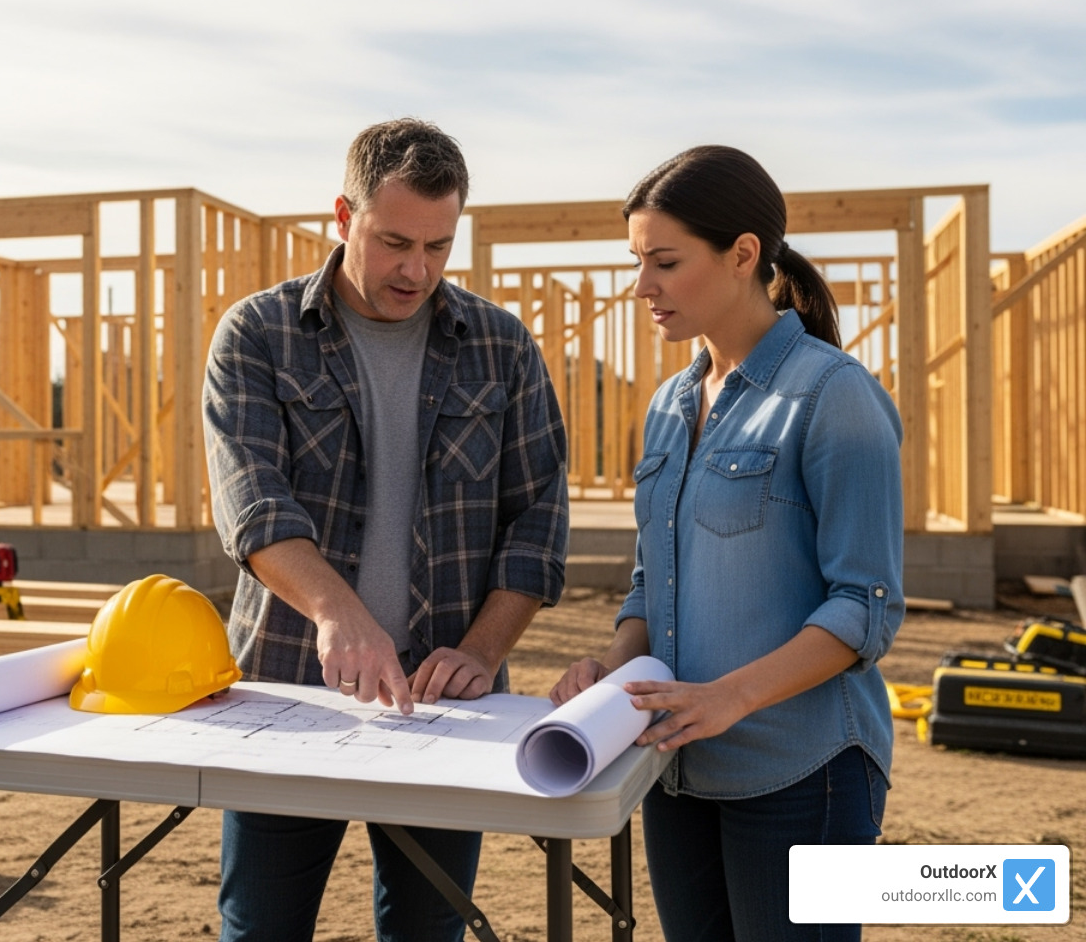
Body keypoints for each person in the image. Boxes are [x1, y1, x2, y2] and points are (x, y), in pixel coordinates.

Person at [203, 118, 569, 942]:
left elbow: (538, 520)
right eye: (395, 242)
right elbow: (252, 504)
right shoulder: (258, 334)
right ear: (344, 216)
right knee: (260, 930)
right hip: (288, 693)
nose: (417, 270)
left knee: (428, 931)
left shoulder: (502, 346)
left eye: (439, 246)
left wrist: (482, 651)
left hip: (449, 705)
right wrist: (339, 614)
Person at [551, 145, 904, 942]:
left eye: (665, 262)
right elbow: (653, 582)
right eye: (637, 262)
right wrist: (611, 673)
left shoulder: (834, 396)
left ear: (743, 254)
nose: (641, 286)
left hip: (802, 773)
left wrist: (729, 698)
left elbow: (866, 607)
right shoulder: (669, 405)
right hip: (675, 772)